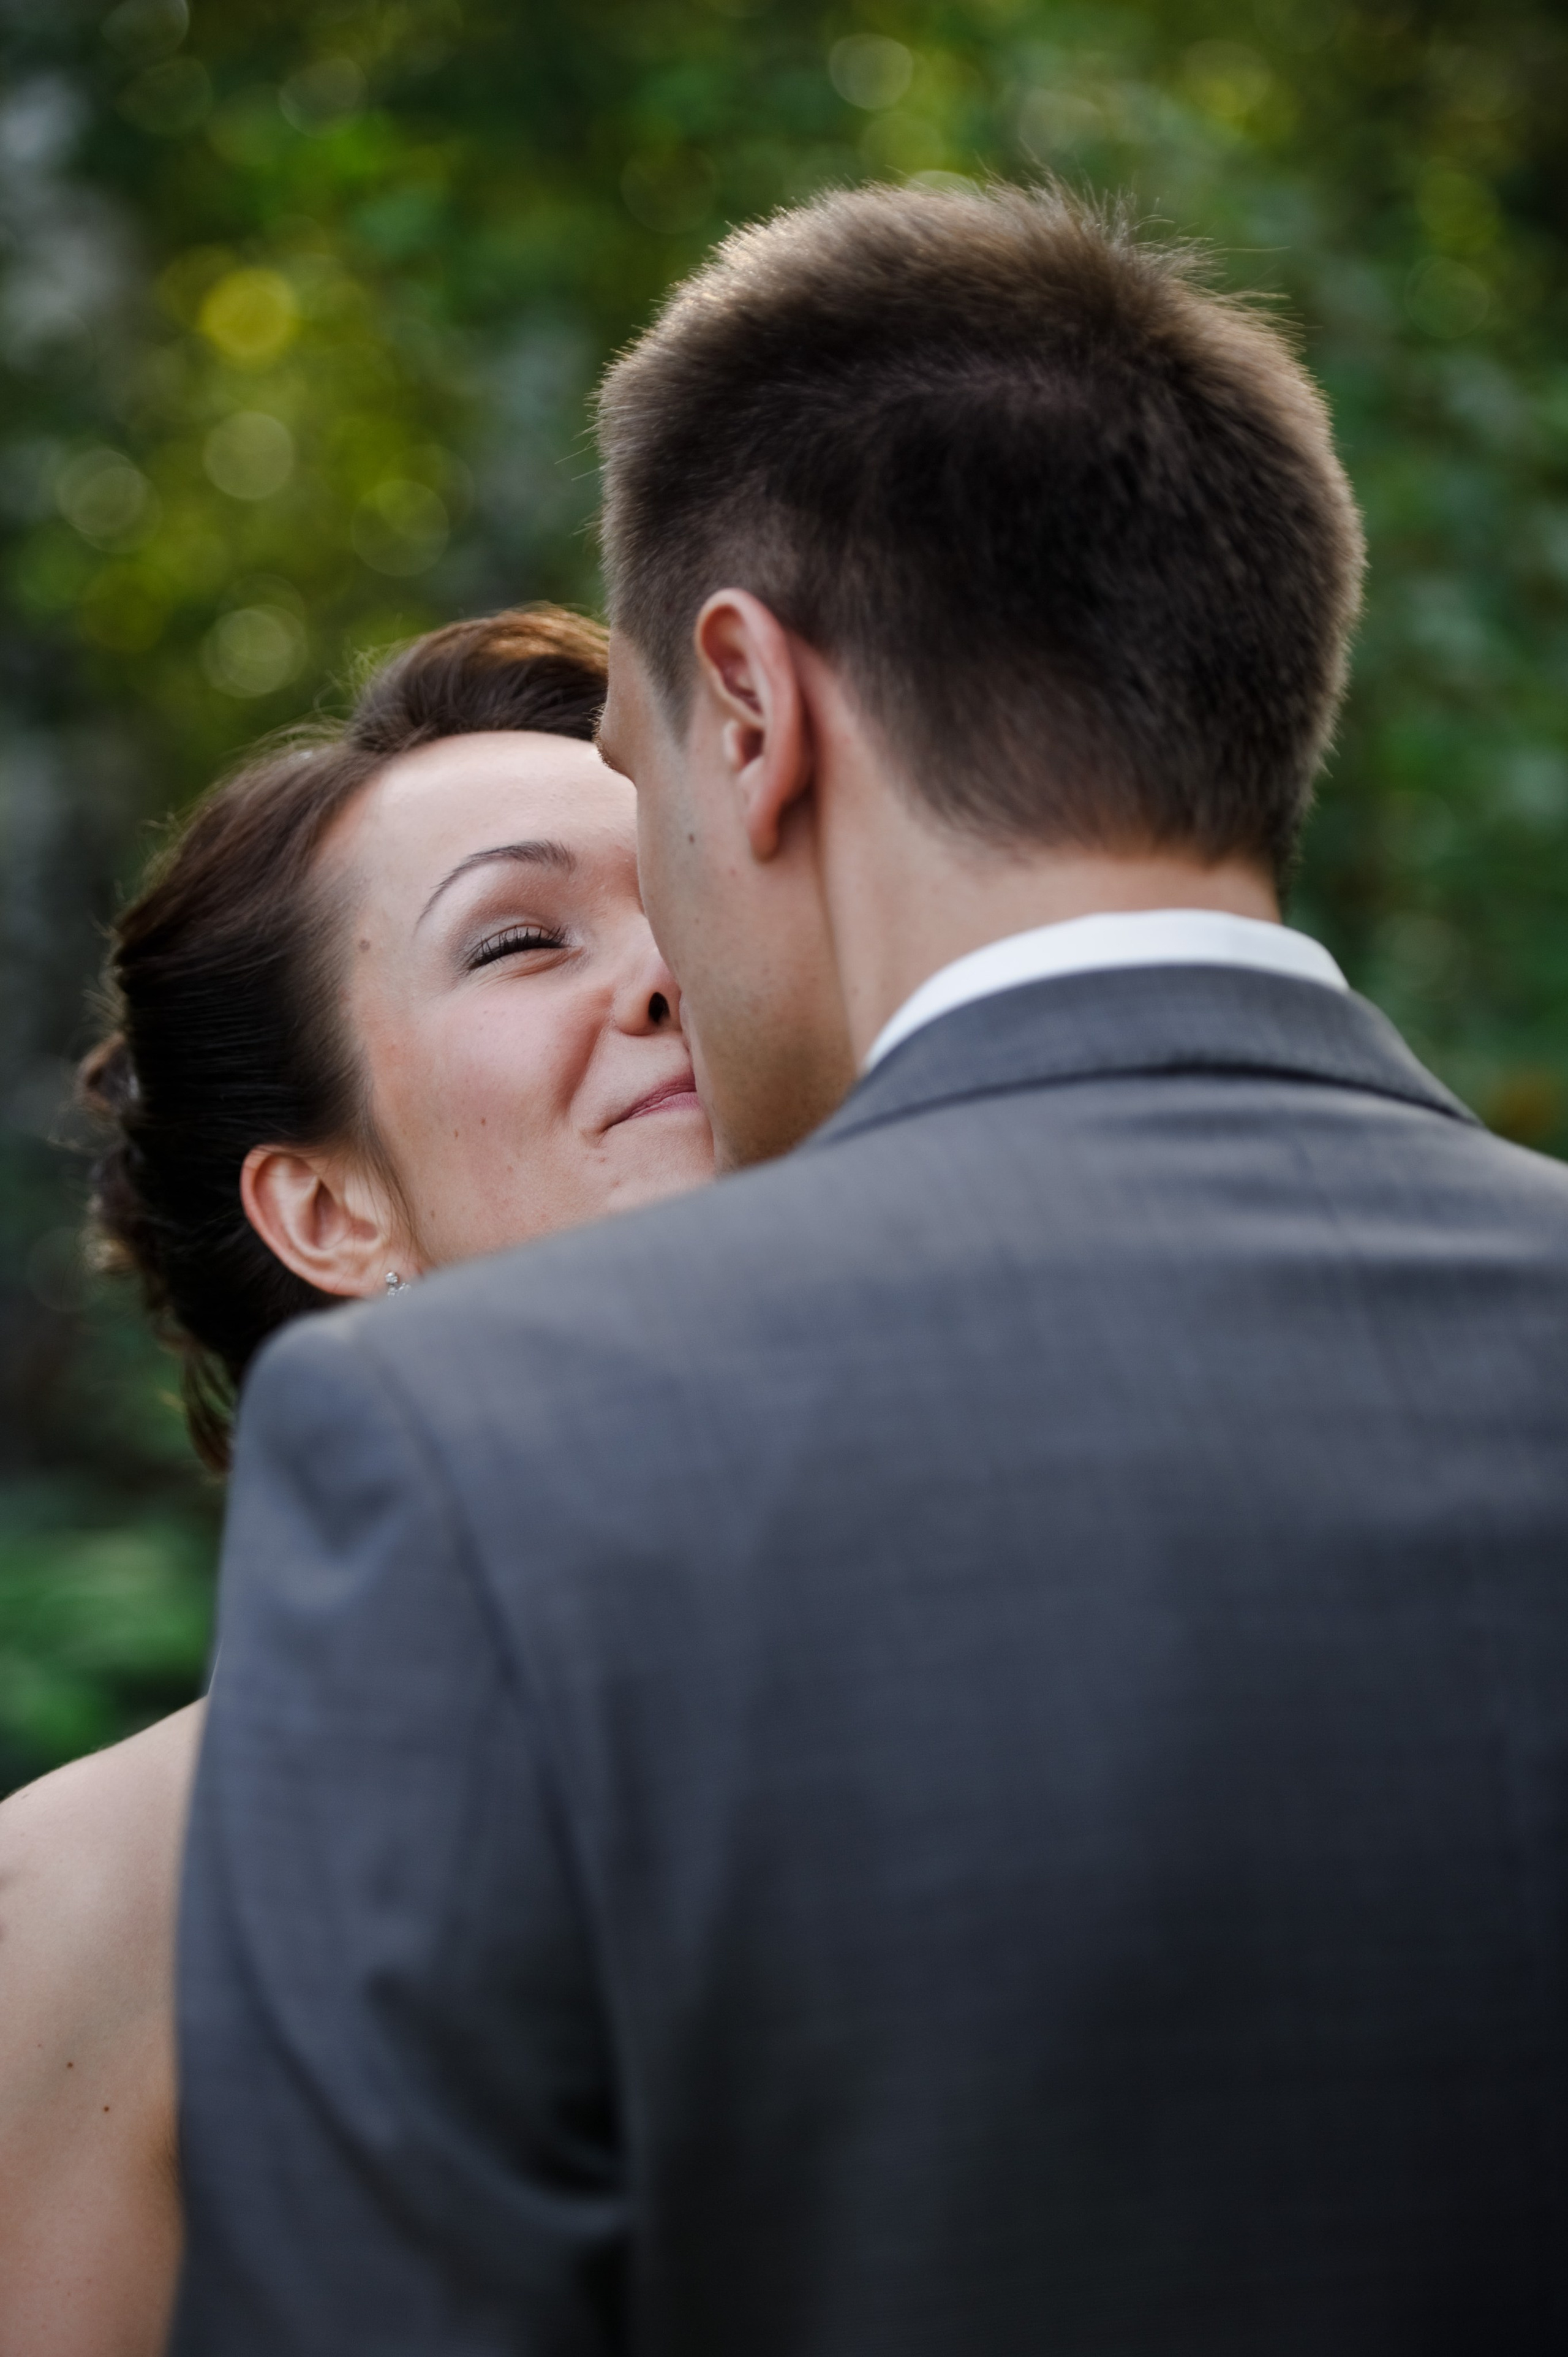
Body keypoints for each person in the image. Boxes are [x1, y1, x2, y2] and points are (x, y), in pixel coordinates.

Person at [177, 185, 1568, 2355]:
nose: (660, 962)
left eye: (640, 817)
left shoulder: (472, 1464)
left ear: (749, 706)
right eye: (531, 933)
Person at [0, 607, 714, 2357]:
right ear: (330, 1212)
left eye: (699, 903)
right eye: (519, 940)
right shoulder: (101, 1896)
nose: (669, 973)